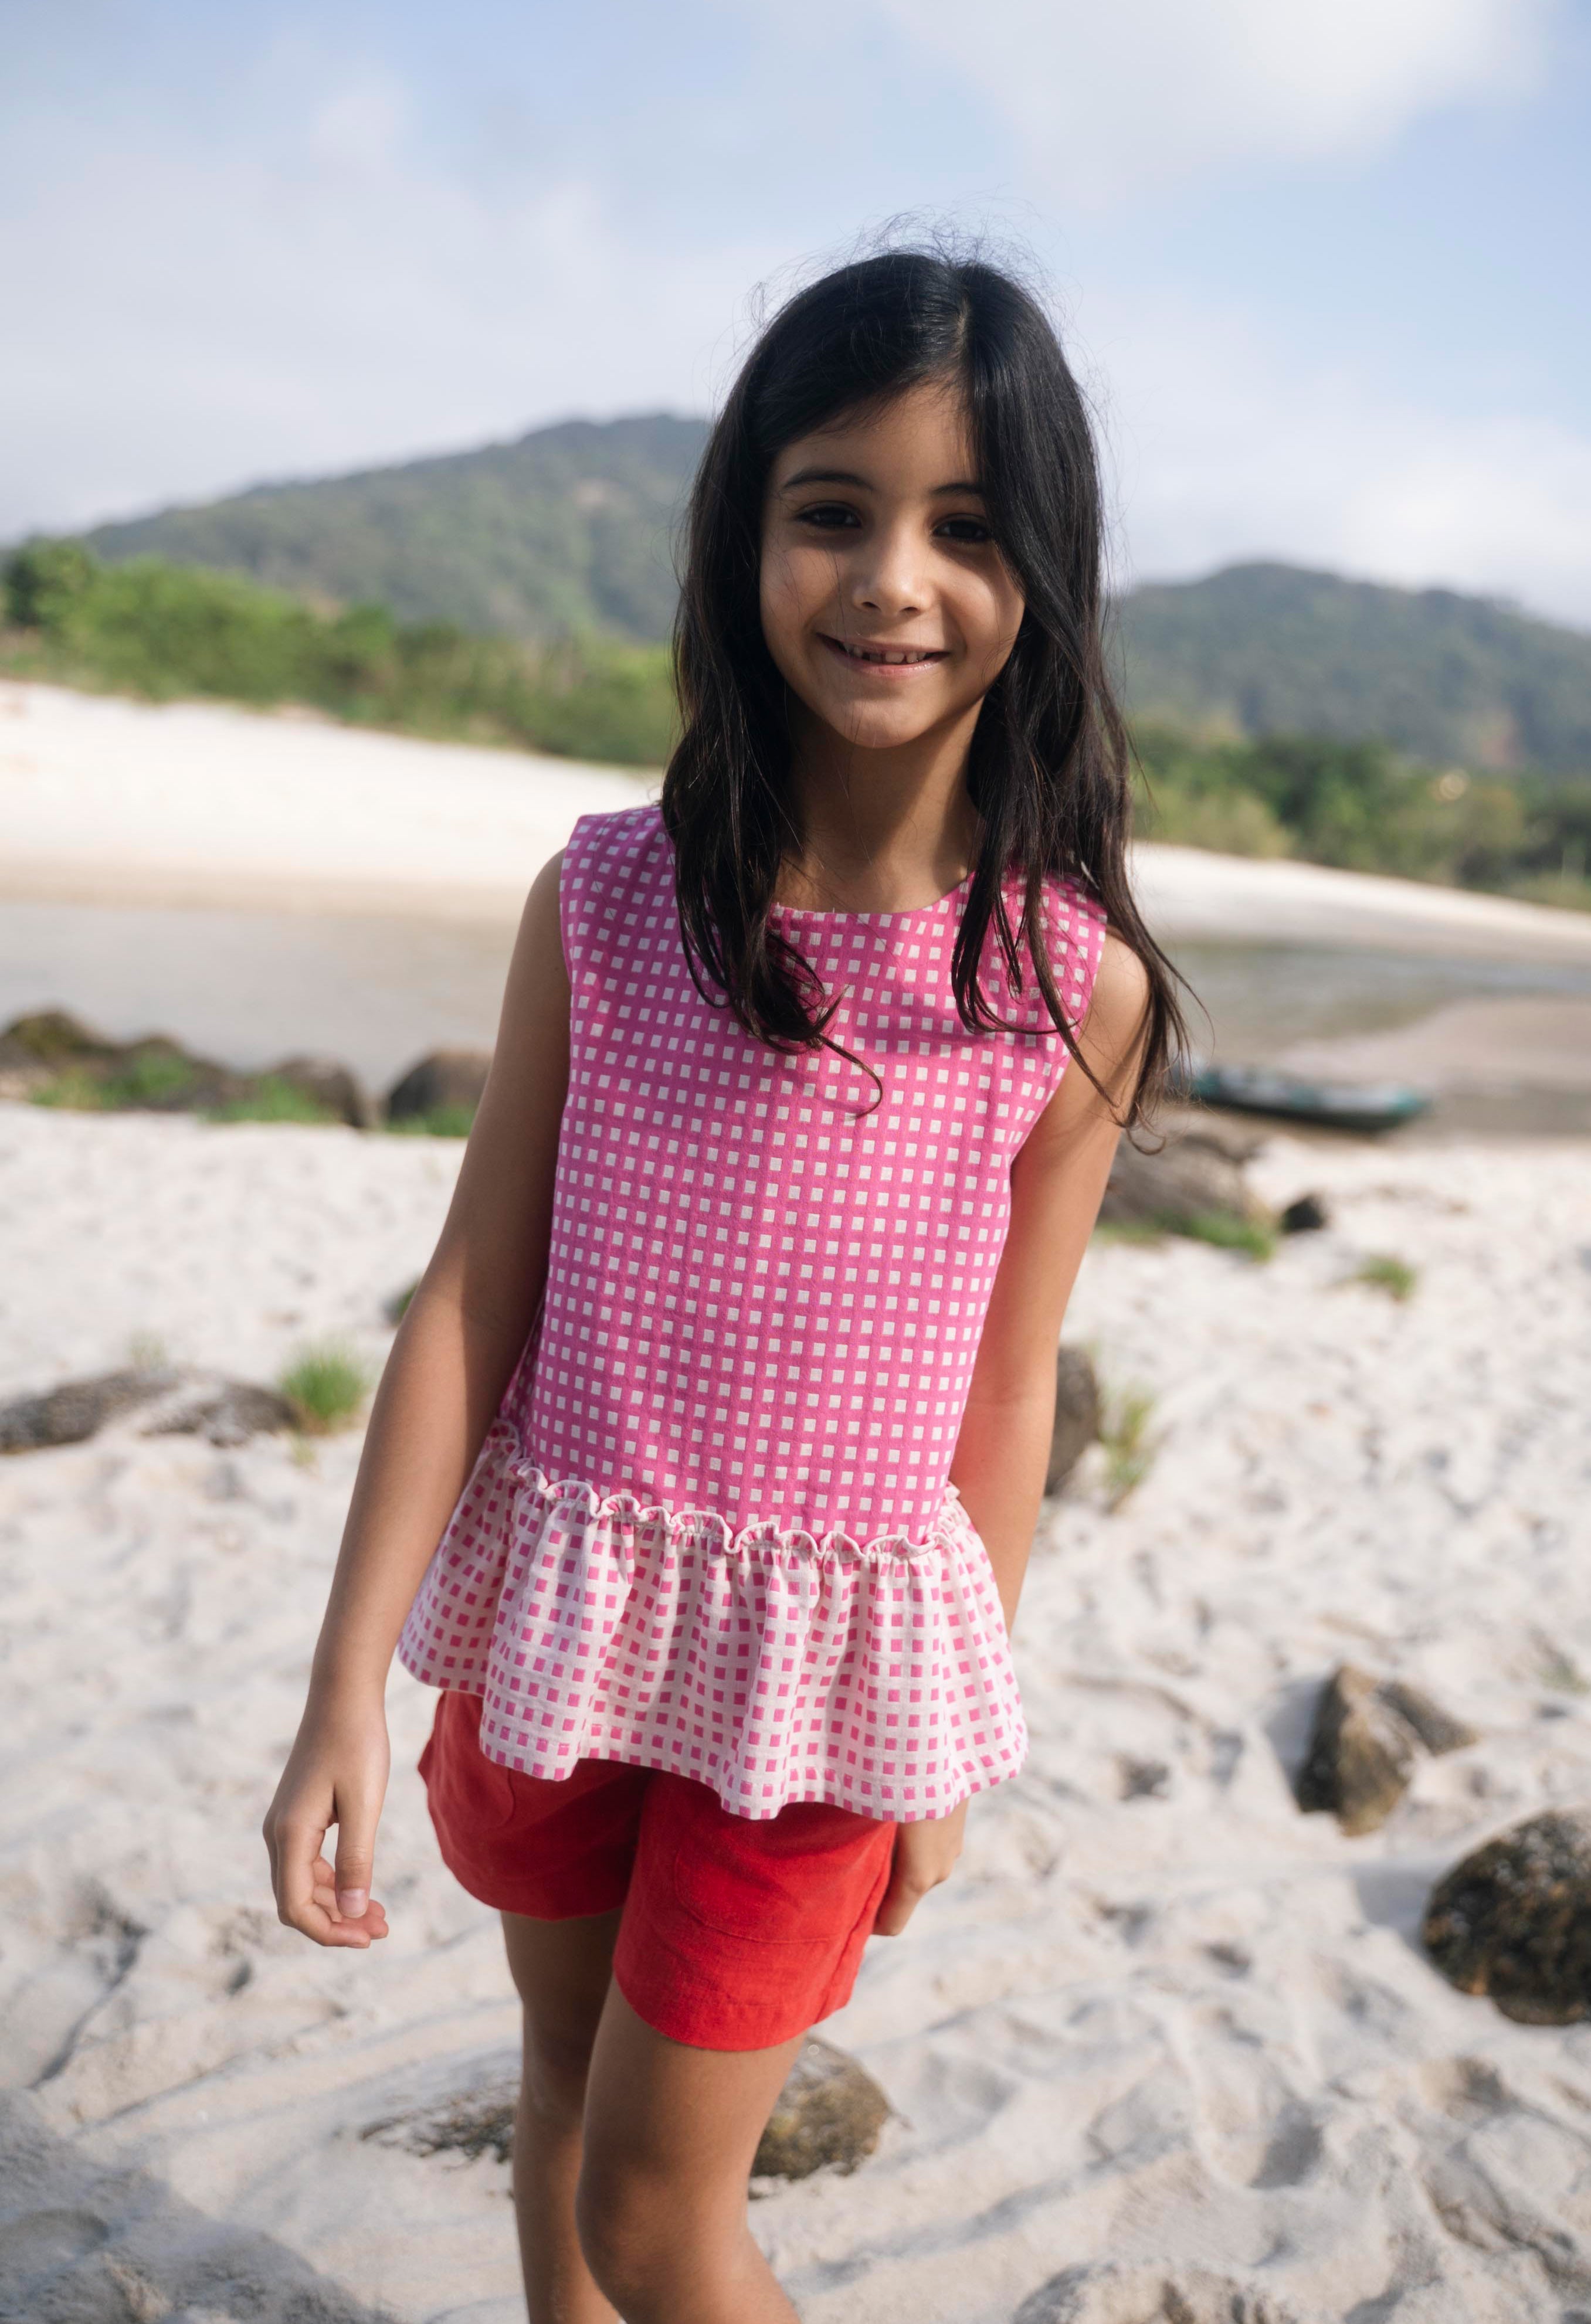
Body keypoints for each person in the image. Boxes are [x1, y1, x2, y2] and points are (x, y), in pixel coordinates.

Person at [263, 246, 1185, 2324]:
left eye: (967, 527)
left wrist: (947, 1746)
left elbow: (1009, 1390)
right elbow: (468, 1299)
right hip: (566, 1616)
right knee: (560, 2082)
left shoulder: (1068, 986)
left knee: (659, 2216)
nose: (892, 580)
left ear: (1046, 573)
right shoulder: (606, 899)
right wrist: (344, 1682)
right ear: (745, 535)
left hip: (829, 1684)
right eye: (833, 510)